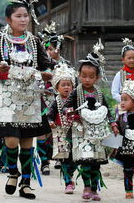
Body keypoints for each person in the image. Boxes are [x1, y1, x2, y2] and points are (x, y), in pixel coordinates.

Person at [0, 0, 55, 199]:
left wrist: (47, 72)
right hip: (7, 95)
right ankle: (13, 172)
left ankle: (26, 183)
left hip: (30, 95)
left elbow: (46, 64)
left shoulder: (35, 41)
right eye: (19, 16)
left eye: (26, 16)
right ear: (8, 20)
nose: (23, 20)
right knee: (11, 139)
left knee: (27, 141)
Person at [63, 39, 119, 201]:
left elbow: (107, 110)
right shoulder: (75, 92)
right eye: (84, 76)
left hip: (98, 132)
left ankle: (94, 189)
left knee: (95, 162)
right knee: (85, 160)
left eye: (91, 76)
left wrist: (113, 124)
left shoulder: (99, 93)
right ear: (79, 76)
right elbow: (67, 105)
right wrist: (69, 111)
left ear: (97, 78)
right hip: (81, 131)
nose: (87, 79)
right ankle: (86, 187)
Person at [37, 21, 68, 173]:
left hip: (59, 103)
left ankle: (58, 157)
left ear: (58, 49)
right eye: (46, 49)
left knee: (56, 131)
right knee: (42, 132)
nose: (48, 52)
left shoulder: (65, 67)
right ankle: (44, 162)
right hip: (41, 102)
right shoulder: (39, 65)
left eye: (50, 49)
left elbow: (69, 85)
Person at [47, 63, 78, 194]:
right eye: (63, 85)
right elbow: (50, 115)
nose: (66, 87)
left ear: (73, 86)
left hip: (75, 132)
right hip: (61, 133)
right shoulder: (56, 101)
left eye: (69, 85)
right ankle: (67, 182)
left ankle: (70, 175)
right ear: (57, 88)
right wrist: (50, 122)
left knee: (76, 158)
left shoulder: (77, 100)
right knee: (65, 158)